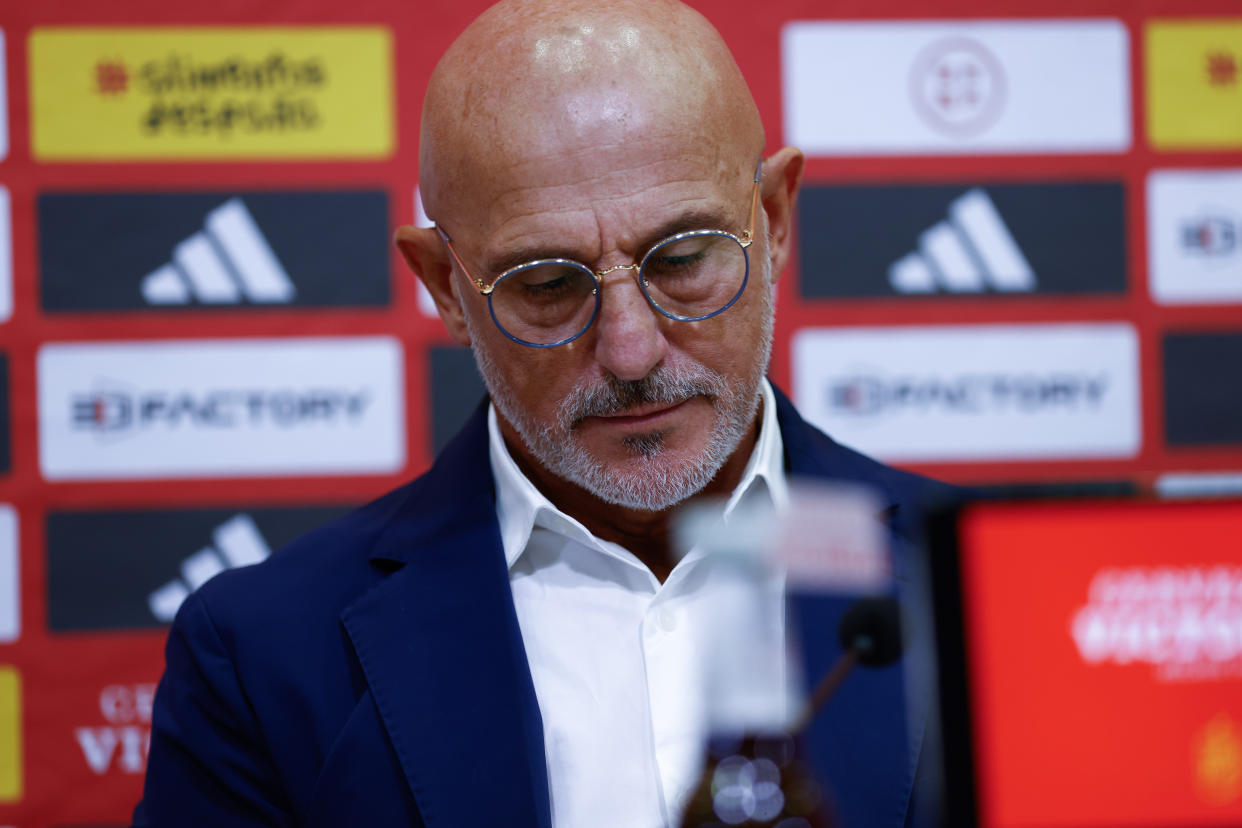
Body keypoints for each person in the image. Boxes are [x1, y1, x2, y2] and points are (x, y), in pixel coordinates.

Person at [133, 1, 956, 826]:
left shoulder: (979, 588)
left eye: (684, 259)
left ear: (772, 221)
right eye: (547, 285)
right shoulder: (261, 655)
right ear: (445, 288)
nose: (631, 353)